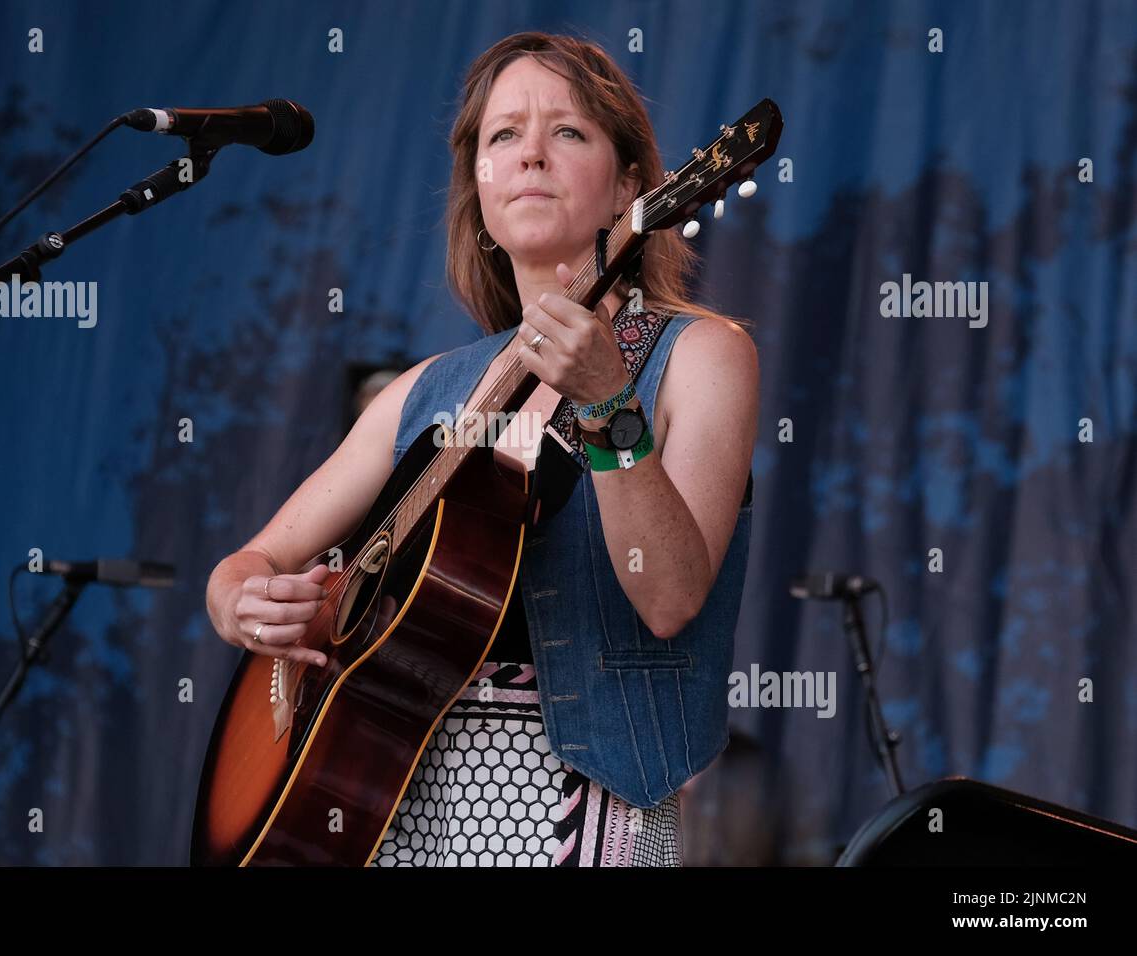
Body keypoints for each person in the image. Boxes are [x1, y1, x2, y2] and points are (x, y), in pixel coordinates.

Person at [205, 31, 758, 867]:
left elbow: (671, 596)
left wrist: (609, 401)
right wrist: (241, 602)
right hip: (379, 794)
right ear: (480, 191)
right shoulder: (426, 388)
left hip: (580, 802)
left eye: (568, 132)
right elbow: (247, 565)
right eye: (504, 136)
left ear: (631, 188)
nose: (531, 153)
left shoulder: (700, 355)